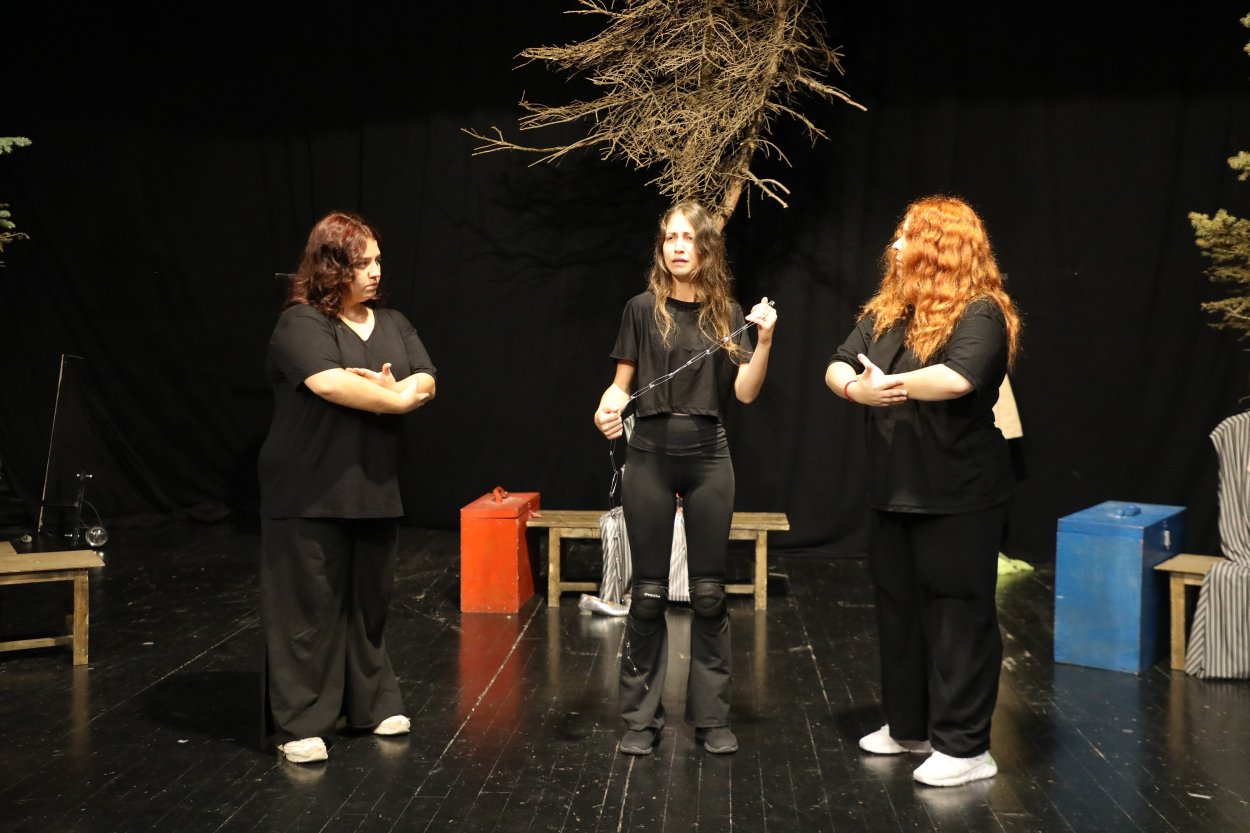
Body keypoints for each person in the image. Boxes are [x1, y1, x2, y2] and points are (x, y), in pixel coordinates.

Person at [824, 195, 1021, 787]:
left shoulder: (981, 312)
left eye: (907, 235)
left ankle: (966, 747)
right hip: (894, 491)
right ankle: (910, 728)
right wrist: (855, 390)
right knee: (900, 614)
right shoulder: (889, 311)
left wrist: (891, 384)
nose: (895, 245)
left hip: (959, 493)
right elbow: (838, 362)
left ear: (940, 247)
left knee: (958, 615)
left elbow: (958, 377)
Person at [593, 200, 776, 756]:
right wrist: (606, 408)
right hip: (648, 455)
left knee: (709, 595)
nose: (678, 246)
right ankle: (639, 720)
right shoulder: (641, 309)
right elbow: (620, 385)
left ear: (706, 248)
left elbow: (746, 392)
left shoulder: (728, 313)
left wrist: (765, 340)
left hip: (708, 457)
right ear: (661, 247)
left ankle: (712, 718)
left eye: (688, 238)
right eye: (670, 237)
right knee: (648, 596)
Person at [258, 211, 437, 764]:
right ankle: (301, 723)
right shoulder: (301, 323)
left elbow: (427, 378)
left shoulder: (394, 322)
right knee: (307, 608)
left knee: (369, 602)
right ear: (332, 267)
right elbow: (331, 383)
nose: (376, 271)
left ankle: (371, 704)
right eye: (363, 263)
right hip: (308, 486)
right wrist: (397, 398)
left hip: (373, 482)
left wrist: (401, 390)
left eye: (378, 260)